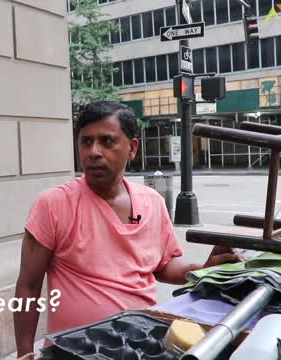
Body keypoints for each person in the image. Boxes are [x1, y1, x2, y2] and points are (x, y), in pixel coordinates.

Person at [13, 101, 241, 358]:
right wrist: (24, 354)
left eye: (107, 141)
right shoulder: (53, 204)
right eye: (86, 142)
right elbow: (28, 287)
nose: (94, 152)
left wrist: (203, 269)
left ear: (132, 148)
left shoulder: (152, 202)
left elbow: (162, 266)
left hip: (142, 345)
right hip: (74, 351)